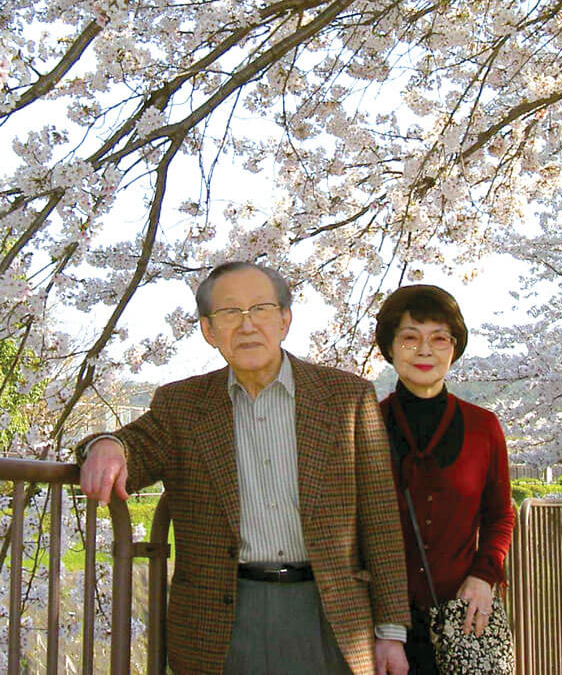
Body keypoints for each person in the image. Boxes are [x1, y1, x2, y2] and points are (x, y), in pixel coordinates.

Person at [78, 261, 410, 675]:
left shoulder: (348, 398)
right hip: (223, 619)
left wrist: (391, 631)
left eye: (262, 309)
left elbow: (380, 519)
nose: (247, 324)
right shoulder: (182, 405)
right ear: (208, 330)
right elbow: (137, 447)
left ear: (285, 320)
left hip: (332, 614)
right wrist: (106, 445)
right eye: (229, 313)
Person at [374, 285, 516, 674]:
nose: (425, 350)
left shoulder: (482, 427)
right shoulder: (367, 422)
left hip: (463, 616)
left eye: (439, 338)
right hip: (384, 625)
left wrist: (484, 577)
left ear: (454, 347)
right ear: (390, 346)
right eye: (409, 338)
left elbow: (500, 514)